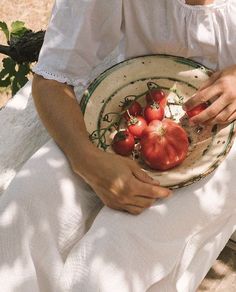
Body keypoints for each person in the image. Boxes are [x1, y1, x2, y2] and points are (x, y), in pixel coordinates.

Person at [0, 0, 236, 291]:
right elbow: (52, 76)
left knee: (110, 260)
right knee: (24, 209)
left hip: (224, 143)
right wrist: (85, 158)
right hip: (129, 116)